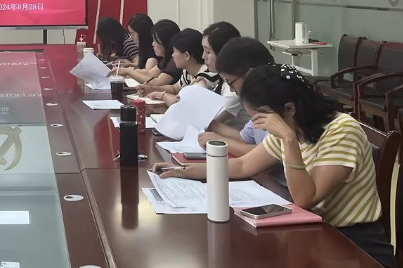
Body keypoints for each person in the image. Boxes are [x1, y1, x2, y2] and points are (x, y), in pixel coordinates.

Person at [154, 64, 396, 268]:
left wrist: (288, 139)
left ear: (289, 109)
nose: (257, 125)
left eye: (261, 118)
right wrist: (183, 171)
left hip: (351, 245)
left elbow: (305, 198)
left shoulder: (341, 131)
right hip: (311, 233)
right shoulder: (290, 124)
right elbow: (243, 165)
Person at [198, 37, 277, 157]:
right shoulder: (257, 102)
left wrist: (220, 140)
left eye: (230, 83)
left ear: (250, 74)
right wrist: (210, 124)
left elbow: (264, 154)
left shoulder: (276, 104)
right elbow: (244, 138)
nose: (231, 89)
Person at [137, 28, 219, 105]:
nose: (172, 55)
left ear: (187, 55)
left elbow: (185, 103)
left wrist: (162, 95)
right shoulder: (188, 72)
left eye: (174, 51)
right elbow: (174, 88)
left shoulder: (206, 76)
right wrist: (152, 89)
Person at [200, 22, 251, 130]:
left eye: (208, 52)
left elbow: (209, 124)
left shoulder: (234, 89)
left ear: (223, 53)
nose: (203, 56)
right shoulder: (222, 78)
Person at [117, 19, 181, 85]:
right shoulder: (166, 58)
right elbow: (149, 73)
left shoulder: (174, 60)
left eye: (155, 40)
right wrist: (125, 71)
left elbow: (158, 83)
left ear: (165, 42)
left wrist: (128, 72)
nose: (153, 44)